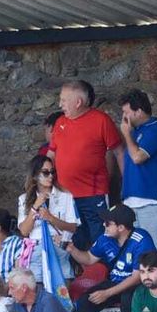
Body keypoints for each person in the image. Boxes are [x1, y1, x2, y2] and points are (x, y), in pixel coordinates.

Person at [69, 205, 155, 312]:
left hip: (140, 284)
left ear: (121, 228)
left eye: (108, 223)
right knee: (85, 301)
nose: (104, 225)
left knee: (128, 298)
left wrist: (107, 293)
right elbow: (88, 258)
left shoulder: (141, 239)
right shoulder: (105, 238)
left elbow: (138, 277)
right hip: (115, 282)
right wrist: (72, 249)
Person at [51, 79, 121, 245]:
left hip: (93, 194)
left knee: (100, 239)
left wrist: (127, 186)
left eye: (64, 100)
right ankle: (79, 271)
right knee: (72, 240)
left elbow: (119, 152)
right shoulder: (60, 122)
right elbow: (51, 154)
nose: (60, 104)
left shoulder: (101, 120)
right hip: (65, 195)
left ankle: (102, 271)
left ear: (78, 102)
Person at [116, 90, 157, 252]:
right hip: (133, 202)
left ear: (138, 111)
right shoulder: (135, 132)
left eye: (126, 112)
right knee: (137, 255)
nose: (124, 118)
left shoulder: (155, 130)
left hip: (153, 202)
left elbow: (138, 157)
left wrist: (127, 135)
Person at [15, 156, 78, 298]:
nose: (50, 176)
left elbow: (73, 227)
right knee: (36, 293)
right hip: (37, 248)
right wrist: (35, 207)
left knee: (62, 295)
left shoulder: (65, 196)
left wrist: (51, 218)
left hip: (58, 245)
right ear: (35, 175)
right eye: (45, 172)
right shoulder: (24, 199)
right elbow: (24, 231)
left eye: (52, 172)